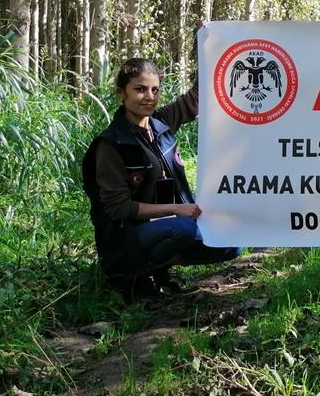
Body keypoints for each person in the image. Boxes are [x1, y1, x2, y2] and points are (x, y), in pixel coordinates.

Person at [82, 59, 240, 299]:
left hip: (171, 225)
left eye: (155, 90)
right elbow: (119, 209)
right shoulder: (111, 144)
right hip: (126, 238)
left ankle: (161, 268)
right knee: (183, 229)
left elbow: (197, 99)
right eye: (140, 89)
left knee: (232, 243)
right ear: (120, 94)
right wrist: (177, 209)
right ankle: (134, 277)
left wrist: (208, 48)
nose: (149, 97)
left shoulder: (161, 123)